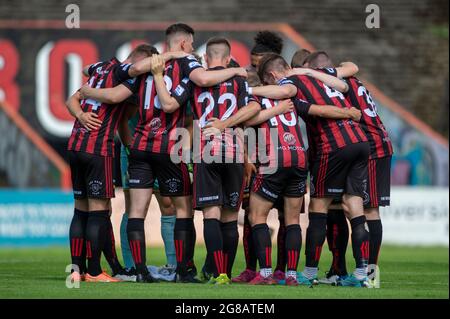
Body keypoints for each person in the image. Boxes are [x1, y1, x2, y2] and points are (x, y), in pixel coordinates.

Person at [80, 24, 248, 283]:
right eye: (191, 45)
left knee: (136, 211)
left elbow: (115, 95)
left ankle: (140, 272)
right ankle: (183, 270)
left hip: (140, 148)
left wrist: (88, 93)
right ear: (183, 44)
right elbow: (200, 83)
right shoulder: (188, 65)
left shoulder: (146, 66)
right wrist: (236, 70)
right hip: (169, 149)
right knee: (183, 210)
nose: (193, 49)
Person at [253, 54, 371, 288]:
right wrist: (349, 112)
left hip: (334, 144)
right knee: (354, 206)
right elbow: (346, 81)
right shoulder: (321, 76)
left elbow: (309, 105)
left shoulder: (289, 82)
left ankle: (308, 272)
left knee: (318, 207)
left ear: (274, 76)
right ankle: (361, 275)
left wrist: (251, 90)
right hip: (360, 141)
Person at [65, 44, 156, 283]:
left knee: (80, 211)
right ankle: (95, 272)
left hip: (75, 146)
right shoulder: (127, 75)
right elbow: (115, 96)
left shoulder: (99, 70)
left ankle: (77, 270)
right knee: (98, 212)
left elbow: (71, 100)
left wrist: (81, 114)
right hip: (97, 149)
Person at [303, 51, 394, 287]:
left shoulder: (336, 84)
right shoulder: (350, 81)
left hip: (372, 145)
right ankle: (339, 269)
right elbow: (352, 66)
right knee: (344, 204)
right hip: (368, 143)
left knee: (369, 209)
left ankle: (370, 276)